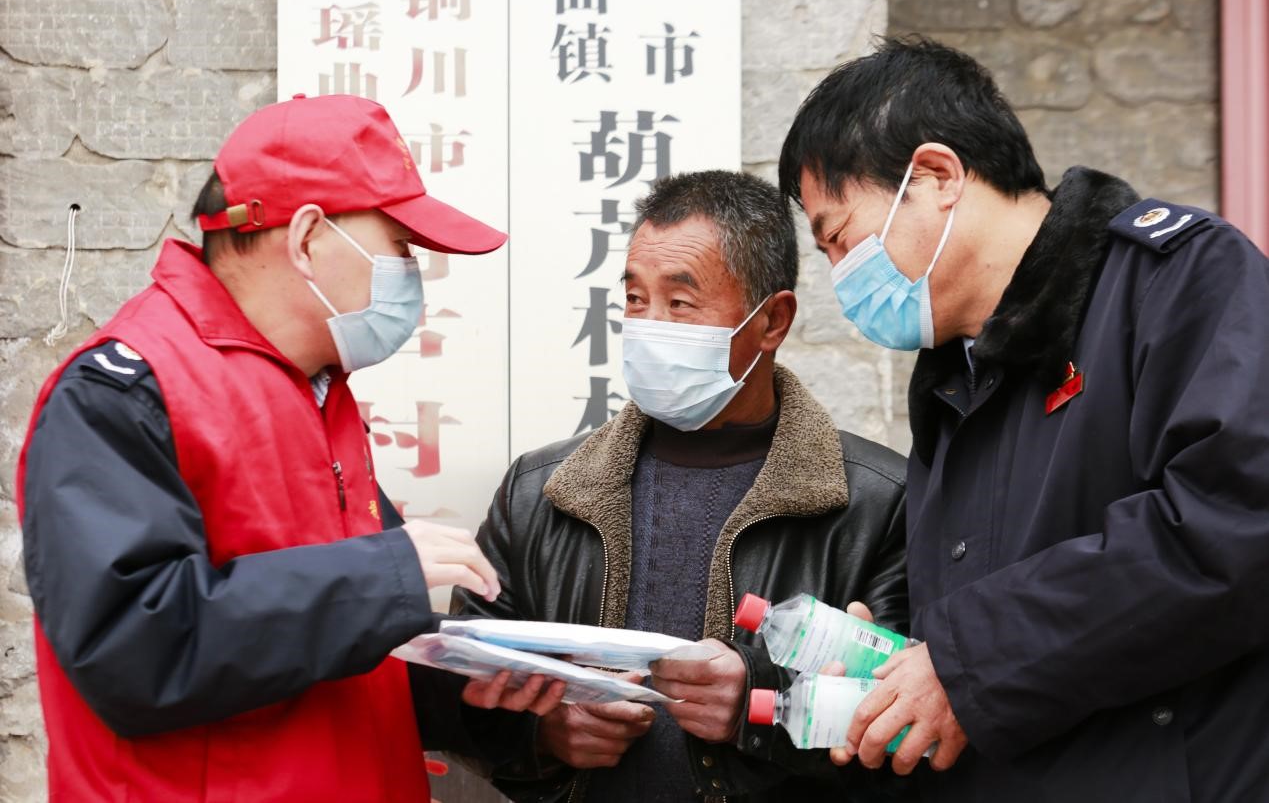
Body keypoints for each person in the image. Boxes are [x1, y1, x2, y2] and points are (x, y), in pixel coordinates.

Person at [17, 93, 560, 801]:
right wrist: (382, 577)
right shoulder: (124, 392)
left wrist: (478, 693)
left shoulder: (320, 391)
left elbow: (339, 651)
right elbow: (130, 649)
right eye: (399, 247)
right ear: (306, 238)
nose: (412, 276)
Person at [778, 36, 1269, 802]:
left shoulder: (1177, 278)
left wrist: (962, 662)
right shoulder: (955, 377)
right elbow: (979, 606)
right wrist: (897, 657)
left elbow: (1233, 527)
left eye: (837, 238)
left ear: (936, 176)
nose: (841, 277)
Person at [451, 170, 913, 802]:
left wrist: (759, 706)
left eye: (680, 303)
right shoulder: (540, 492)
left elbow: (912, 724)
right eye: (635, 299)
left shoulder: (878, 503)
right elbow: (459, 687)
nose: (649, 324)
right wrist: (542, 735)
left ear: (773, 320)